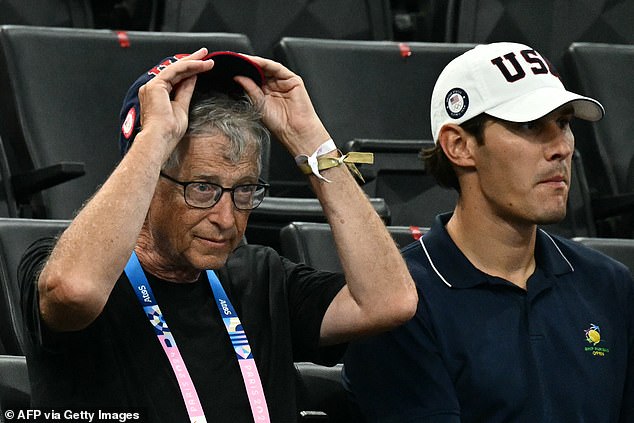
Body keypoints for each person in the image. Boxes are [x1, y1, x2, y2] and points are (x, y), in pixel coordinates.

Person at [18, 48, 418, 422]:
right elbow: (74, 290)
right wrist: (154, 138)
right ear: (148, 178)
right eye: (203, 188)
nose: (227, 218)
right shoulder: (60, 266)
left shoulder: (260, 276)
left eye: (244, 190)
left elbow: (389, 300)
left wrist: (312, 141)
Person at [343, 42, 634, 422]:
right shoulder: (400, 304)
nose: (561, 148)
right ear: (459, 145)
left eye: (563, 123)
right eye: (530, 125)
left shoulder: (608, 285)